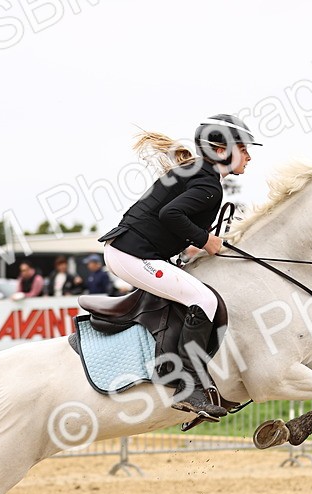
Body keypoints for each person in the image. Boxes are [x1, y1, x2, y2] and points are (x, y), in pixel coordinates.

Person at [97, 113, 260, 419]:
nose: (249, 156)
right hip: (133, 255)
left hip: (134, 251)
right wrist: (205, 240)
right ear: (221, 151)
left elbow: (167, 218)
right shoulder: (208, 184)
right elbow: (170, 214)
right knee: (204, 299)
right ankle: (188, 388)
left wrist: (189, 245)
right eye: (244, 148)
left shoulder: (198, 173)